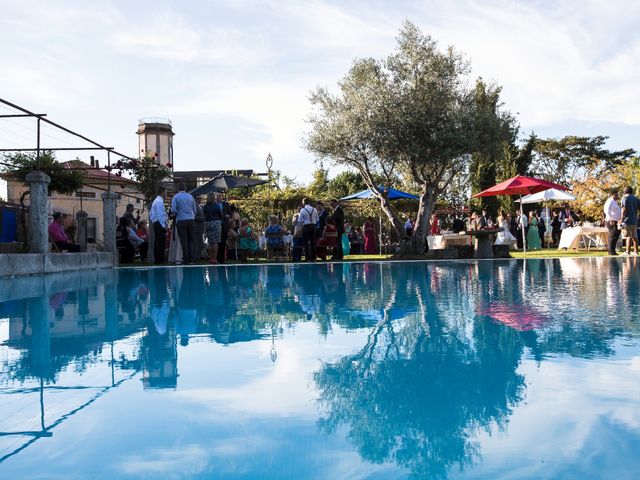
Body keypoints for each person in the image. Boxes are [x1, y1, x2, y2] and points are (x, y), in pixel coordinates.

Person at [170, 182, 197, 264]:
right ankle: (192, 259)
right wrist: (192, 216)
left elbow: (173, 210)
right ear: (185, 188)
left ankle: (186, 259)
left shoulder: (176, 197)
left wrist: (177, 212)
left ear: (178, 188)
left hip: (181, 220)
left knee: (184, 241)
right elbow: (194, 210)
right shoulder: (190, 196)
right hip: (191, 220)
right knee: (191, 240)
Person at [149, 186, 168, 264]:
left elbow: (151, 213)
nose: (166, 194)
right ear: (162, 192)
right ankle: (159, 260)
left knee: (158, 242)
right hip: (159, 224)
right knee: (160, 242)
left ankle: (158, 259)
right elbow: (160, 215)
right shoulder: (159, 202)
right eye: (166, 192)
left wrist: (154, 220)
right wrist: (164, 225)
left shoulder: (156, 201)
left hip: (156, 223)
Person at [203, 192, 223, 264]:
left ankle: (210, 258)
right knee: (215, 242)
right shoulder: (217, 205)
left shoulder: (205, 206)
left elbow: (203, 215)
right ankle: (214, 258)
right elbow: (221, 215)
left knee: (210, 241)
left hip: (208, 223)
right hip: (216, 223)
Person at [620, 186, 639, 256]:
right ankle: (636, 252)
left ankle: (627, 252)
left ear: (625, 191)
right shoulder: (636, 199)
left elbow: (623, 209)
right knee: (635, 236)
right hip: (634, 220)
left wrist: (621, 219)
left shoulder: (624, 198)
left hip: (627, 220)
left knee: (628, 236)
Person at [215, 192, 232, 264]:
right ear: (215, 197)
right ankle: (217, 258)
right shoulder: (214, 204)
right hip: (216, 225)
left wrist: (228, 216)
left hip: (224, 225)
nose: (218, 197)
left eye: (220, 196)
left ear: (222, 197)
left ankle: (222, 259)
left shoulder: (226, 204)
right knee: (217, 242)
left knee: (223, 242)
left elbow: (230, 213)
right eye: (217, 196)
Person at [604, 189, 621, 256]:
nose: (618, 196)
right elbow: (606, 210)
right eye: (617, 194)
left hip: (615, 221)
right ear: (614, 194)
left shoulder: (614, 201)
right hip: (612, 221)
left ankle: (612, 250)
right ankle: (611, 251)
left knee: (615, 236)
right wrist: (610, 219)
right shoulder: (610, 201)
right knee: (613, 236)